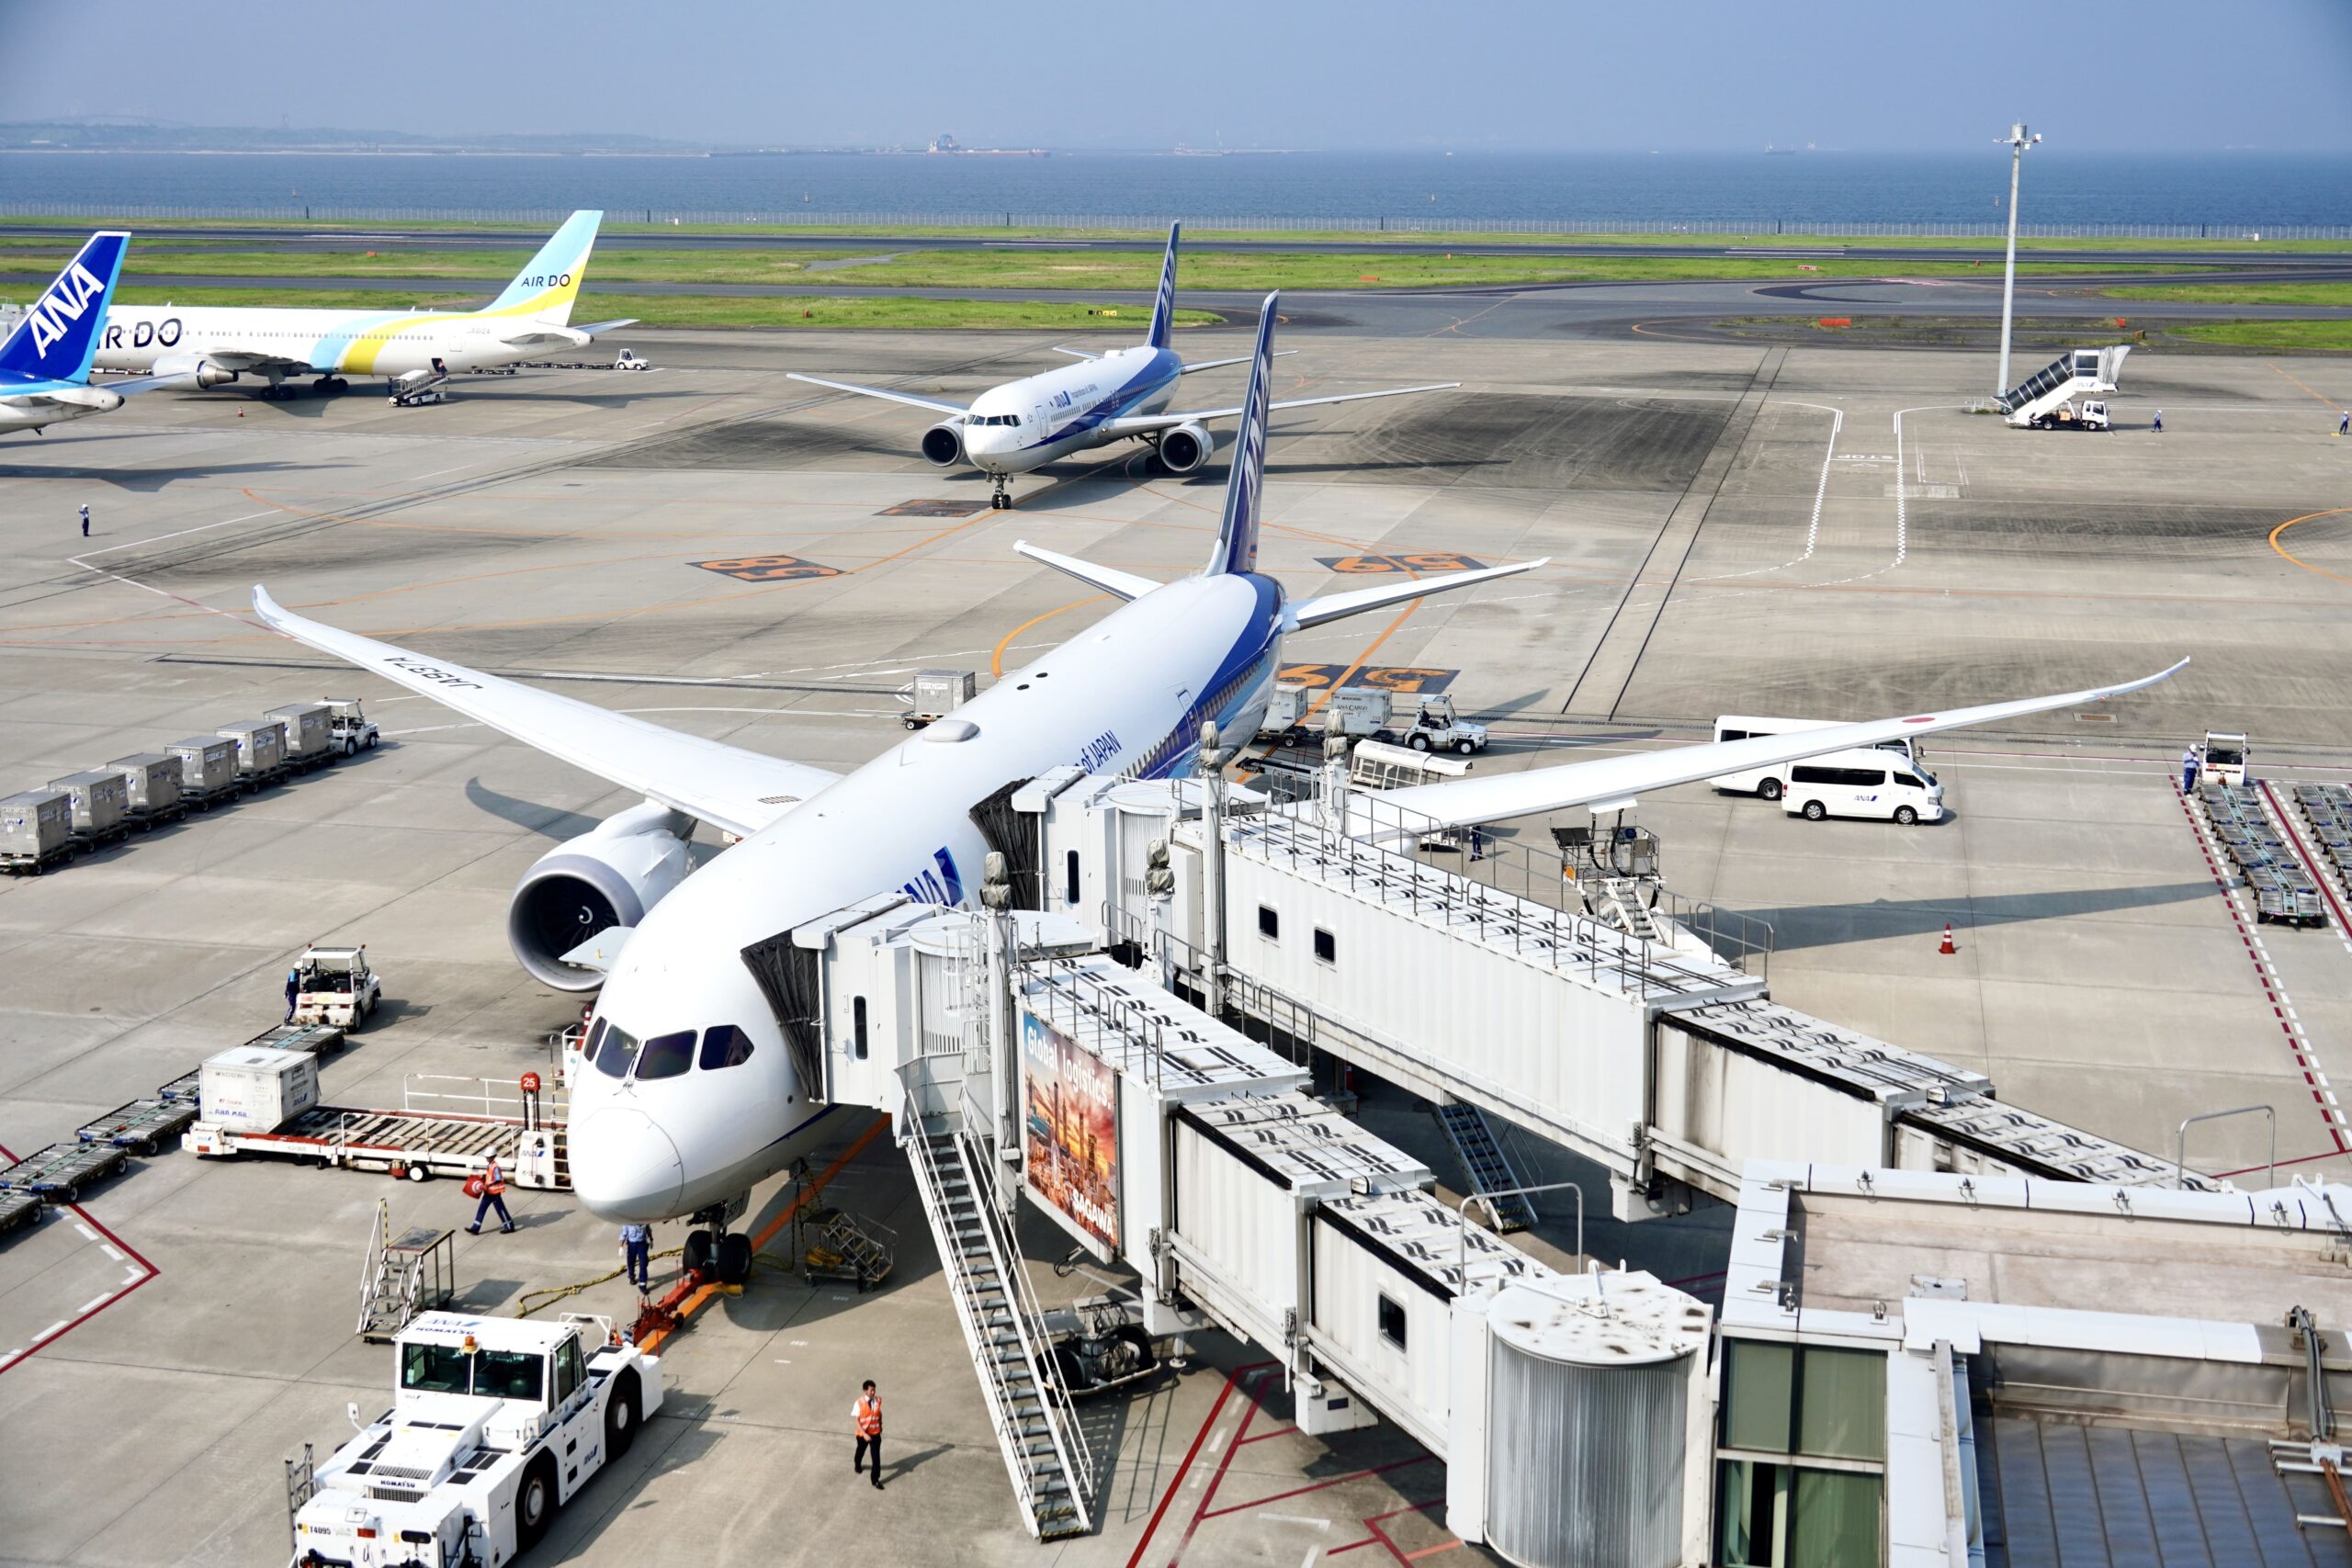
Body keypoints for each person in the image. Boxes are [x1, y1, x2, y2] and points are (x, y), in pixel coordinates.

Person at [467, 1155, 514, 1235]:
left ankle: (509, 1226)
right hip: (489, 1192)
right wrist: (484, 1176)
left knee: (500, 1210)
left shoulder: (495, 1167)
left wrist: (488, 1185)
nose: (486, 1158)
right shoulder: (490, 1165)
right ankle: (475, 1228)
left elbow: (498, 1179)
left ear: (492, 1157)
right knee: (482, 1209)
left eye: (488, 1157)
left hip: (494, 1193)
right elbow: (490, 1177)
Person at [854, 1380, 884, 1489]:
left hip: (875, 1434)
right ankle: (857, 1465)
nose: (873, 1392)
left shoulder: (877, 1400)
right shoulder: (859, 1403)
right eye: (871, 1390)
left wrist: (880, 1424)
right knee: (860, 1451)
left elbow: (878, 1412)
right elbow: (857, 1421)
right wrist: (864, 1434)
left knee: (876, 1458)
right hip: (863, 1435)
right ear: (865, 1391)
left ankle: (875, 1480)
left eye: (874, 1390)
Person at [620, 1222, 651, 1292]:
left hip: (642, 1244)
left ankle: (642, 1286)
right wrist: (620, 1247)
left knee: (643, 1264)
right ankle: (631, 1276)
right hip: (632, 1245)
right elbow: (623, 1234)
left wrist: (651, 1239)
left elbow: (648, 1229)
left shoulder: (644, 1219)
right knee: (631, 1262)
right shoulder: (628, 1222)